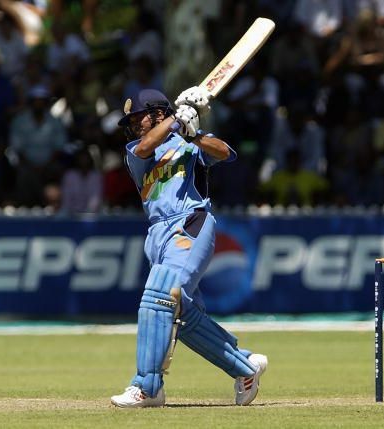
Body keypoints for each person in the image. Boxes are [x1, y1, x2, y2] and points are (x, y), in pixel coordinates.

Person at [110, 87, 268, 408]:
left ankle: (148, 386)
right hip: (157, 234)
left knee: (160, 296)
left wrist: (193, 134)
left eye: (137, 118)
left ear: (156, 113)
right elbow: (144, 148)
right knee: (180, 316)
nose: (132, 125)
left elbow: (224, 152)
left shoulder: (188, 142)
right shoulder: (138, 151)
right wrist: (174, 123)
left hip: (190, 222)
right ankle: (245, 367)